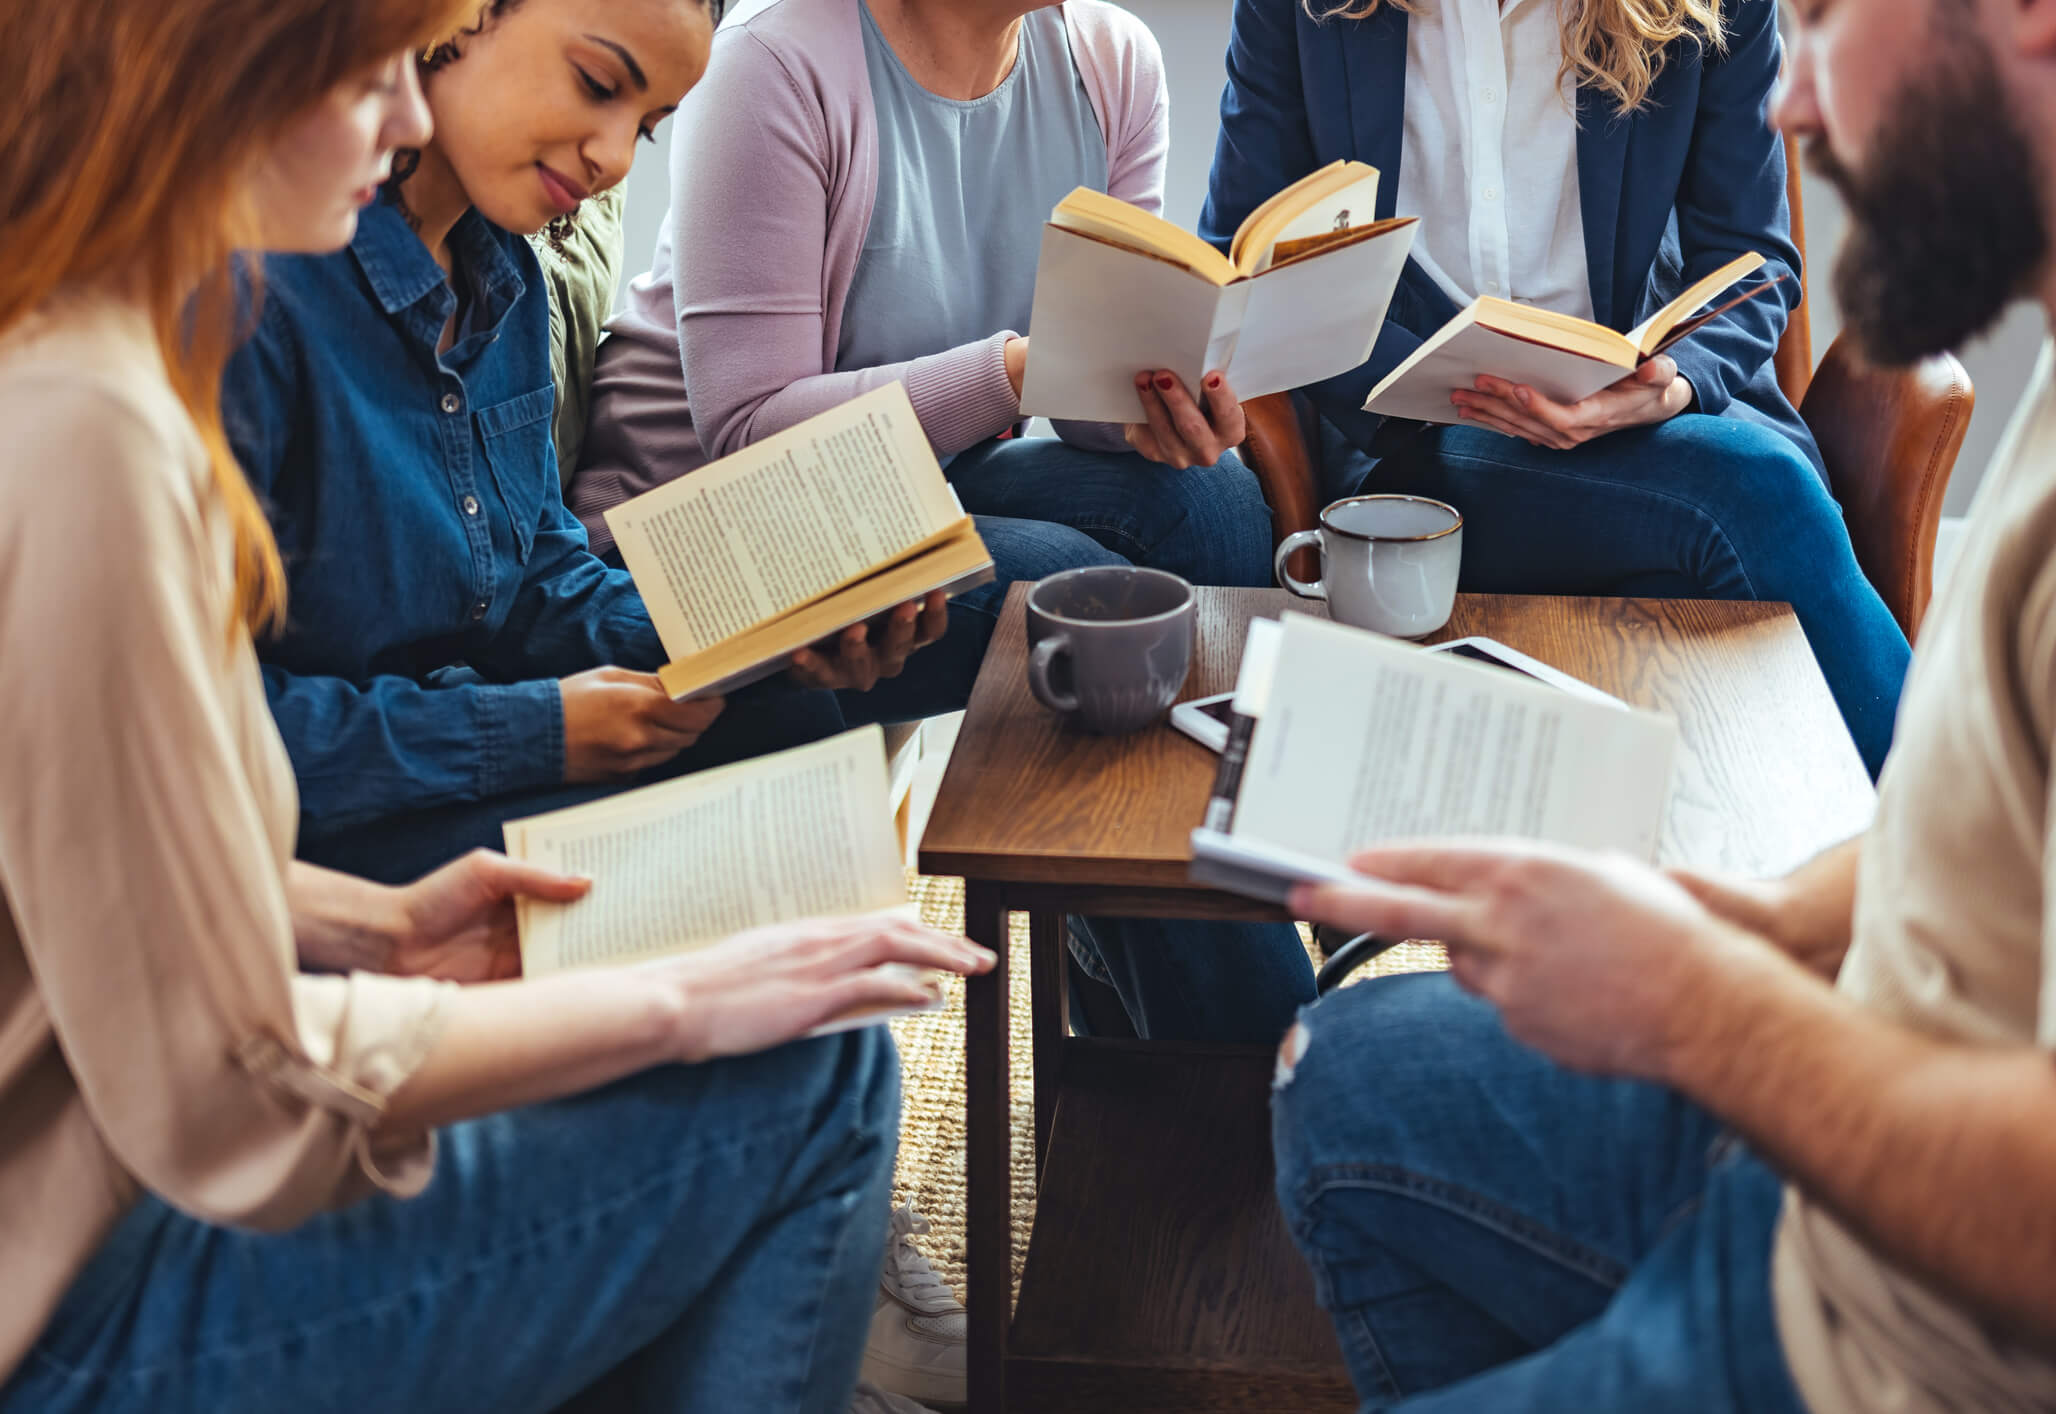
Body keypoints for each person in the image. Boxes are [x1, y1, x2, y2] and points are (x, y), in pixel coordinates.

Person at [0, 3, 993, 1411]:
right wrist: (668, 1002)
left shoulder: (121, 345)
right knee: (813, 1069)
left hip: (143, 1110)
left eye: (643, 125)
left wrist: (757, 632)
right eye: (374, 73)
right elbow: (236, 1088)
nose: (403, 115)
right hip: (77, 1279)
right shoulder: (130, 398)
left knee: (819, 739)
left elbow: (111, 836)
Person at [1265, 0, 2056, 1404]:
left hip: (1872, 1323)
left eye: (1830, 20)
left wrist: (1701, 1004)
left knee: (1753, 487)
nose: (1793, 108)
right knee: (1330, 1068)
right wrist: (1779, 921)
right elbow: (1995, 823)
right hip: (1818, 1168)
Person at [570, 0, 1321, 1050]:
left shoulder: (1110, 62)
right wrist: (1015, 367)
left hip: (925, 481)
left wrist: (1155, 404)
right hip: (709, 533)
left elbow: (1088, 404)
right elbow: (749, 432)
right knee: (1063, 588)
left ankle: (1165, 954)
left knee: (1210, 499)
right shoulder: (775, 61)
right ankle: (1258, 1044)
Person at [220, 0, 959, 890]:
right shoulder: (261, 287)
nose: (611, 158)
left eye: (645, 129)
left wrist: (770, 636)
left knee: (792, 730)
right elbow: (204, 728)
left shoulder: (510, 285)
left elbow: (534, 582)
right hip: (323, 830)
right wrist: (542, 733)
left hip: (470, 739)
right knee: (751, 873)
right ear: (462, 18)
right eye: (598, 84)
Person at [1202, 0, 1912, 779]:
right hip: (1416, 453)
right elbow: (1243, 256)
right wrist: (1417, 381)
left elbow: (1752, 260)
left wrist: (1669, 385)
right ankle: (1959, 855)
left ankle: (1849, 872)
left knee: (1717, 540)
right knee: (1758, 494)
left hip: (1649, 433)